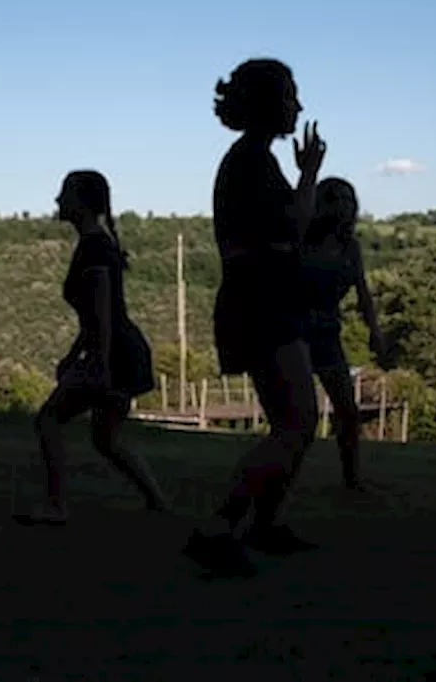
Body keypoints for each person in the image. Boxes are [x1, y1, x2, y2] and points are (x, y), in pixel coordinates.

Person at [181, 58, 327, 578]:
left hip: (258, 301)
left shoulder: (250, 159)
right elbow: (296, 223)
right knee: (296, 422)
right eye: (291, 95)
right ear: (270, 103)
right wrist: (310, 174)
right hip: (263, 303)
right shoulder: (252, 162)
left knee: (295, 422)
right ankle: (218, 528)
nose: (299, 106)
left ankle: (263, 525)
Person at [17, 170, 168, 526]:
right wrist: (74, 355)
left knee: (49, 420)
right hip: (123, 350)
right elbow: (99, 315)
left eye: (65, 194)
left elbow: (101, 311)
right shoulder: (97, 244)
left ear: (82, 203)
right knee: (105, 437)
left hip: (114, 353)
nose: (57, 200)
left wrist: (97, 362)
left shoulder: (94, 248)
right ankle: (157, 501)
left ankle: (56, 506)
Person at [299, 177, 386, 490]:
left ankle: (352, 478)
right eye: (338, 200)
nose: (346, 207)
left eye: (350, 200)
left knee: (347, 410)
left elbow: (363, 293)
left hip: (327, 334)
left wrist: (375, 332)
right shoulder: (303, 242)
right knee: (300, 414)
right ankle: (280, 474)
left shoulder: (351, 247)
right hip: (295, 331)